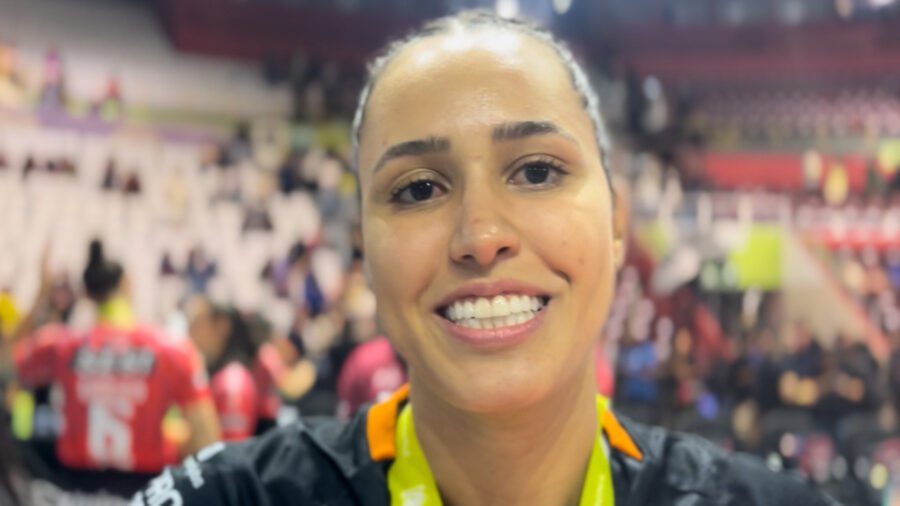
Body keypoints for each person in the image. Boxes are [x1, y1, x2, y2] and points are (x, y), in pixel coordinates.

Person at [133, 10, 840, 506]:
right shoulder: (230, 497)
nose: (481, 234)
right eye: (417, 188)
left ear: (618, 223)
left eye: (536, 171)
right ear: (364, 251)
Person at [4, 241, 221, 497]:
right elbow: (206, 441)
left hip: (75, 493)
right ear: (128, 284)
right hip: (146, 492)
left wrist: (41, 295)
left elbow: (5, 360)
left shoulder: (61, 345)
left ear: (86, 293)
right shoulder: (172, 351)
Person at [185, 295, 259, 441]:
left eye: (197, 323)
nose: (190, 332)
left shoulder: (231, 381)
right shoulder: (224, 376)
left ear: (221, 326)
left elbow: (231, 446)